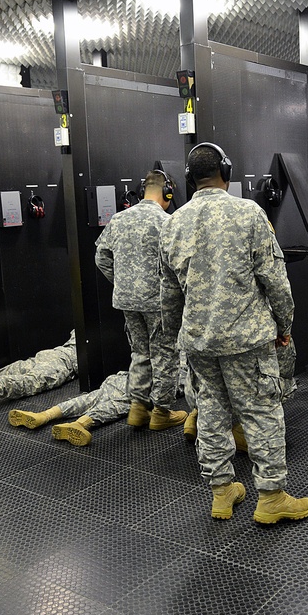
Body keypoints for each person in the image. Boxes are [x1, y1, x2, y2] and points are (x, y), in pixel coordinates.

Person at [160, 142, 308, 524]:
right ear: (225, 172)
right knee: (261, 413)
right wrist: (285, 326)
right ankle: (272, 497)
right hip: (246, 340)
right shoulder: (249, 213)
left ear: (188, 179)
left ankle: (222, 492)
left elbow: (169, 293)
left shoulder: (174, 222)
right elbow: (275, 281)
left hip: (198, 341)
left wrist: (176, 335)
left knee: (210, 412)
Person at [95, 170, 186, 431]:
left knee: (140, 352)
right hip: (158, 302)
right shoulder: (167, 222)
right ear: (167, 193)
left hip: (127, 300)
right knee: (165, 355)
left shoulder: (119, 218)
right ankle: (161, 413)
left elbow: (101, 258)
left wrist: (123, 282)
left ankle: (137, 409)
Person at [9, 371, 132, 446]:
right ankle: (79, 424)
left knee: (89, 398)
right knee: (117, 405)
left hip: (125, 377)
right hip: (142, 386)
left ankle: (43, 416)